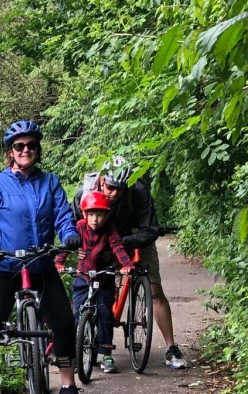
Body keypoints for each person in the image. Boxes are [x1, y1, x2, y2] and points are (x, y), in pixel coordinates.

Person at [0, 120, 84, 394]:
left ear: (38, 149)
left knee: (65, 322)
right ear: (10, 151)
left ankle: (68, 385)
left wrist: (69, 235)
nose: (26, 150)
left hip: (40, 265)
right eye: (19, 146)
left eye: (31, 145)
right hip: (2, 266)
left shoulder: (50, 182)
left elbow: (63, 216)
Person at [81, 156, 188, 369]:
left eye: (121, 189)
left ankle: (171, 347)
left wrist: (124, 243)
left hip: (136, 237)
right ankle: (93, 337)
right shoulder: (88, 190)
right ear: (102, 180)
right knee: (99, 284)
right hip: (103, 238)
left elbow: (150, 229)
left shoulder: (138, 191)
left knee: (155, 290)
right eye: (111, 187)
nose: (115, 193)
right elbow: (78, 223)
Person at [58, 190, 133, 374]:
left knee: (105, 314)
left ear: (107, 215)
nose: (95, 219)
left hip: (104, 277)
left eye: (99, 214)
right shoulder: (79, 226)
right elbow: (68, 245)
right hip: (83, 276)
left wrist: (126, 264)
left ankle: (106, 354)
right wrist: (59, 262)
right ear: (84, 214)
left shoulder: (110, 228)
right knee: (77, 313)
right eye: (91, 214)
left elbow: (117, 245)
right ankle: (76, 353)